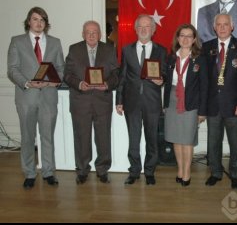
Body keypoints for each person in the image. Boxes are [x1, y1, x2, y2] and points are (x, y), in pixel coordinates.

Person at [7, 6, 65, 189]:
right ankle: (30, 173)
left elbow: (61, 68)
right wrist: (27, 83)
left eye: (42, 20)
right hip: (26, 97)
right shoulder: (17, 42)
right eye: (35, 19)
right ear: (28, 22)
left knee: (47, 136)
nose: (39, 23)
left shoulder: (55, 42)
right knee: (27, 137)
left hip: (48, 96)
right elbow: (12, 69)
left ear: (46, 24)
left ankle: (48, 172)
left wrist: (54, 81)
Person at [64, 21, 119, 184]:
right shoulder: (74, 50)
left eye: (95, 31)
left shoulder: (109, 50)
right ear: (83, 34)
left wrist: (107, 84)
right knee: (81, 137)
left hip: (102, 101)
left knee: (103, 137)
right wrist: (79, 84)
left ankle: (102, 170)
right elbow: (67, 74)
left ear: (100, 34)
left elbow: (117, 73)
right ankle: (82, 170)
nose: (92, 35)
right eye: (88, 32)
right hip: (80, 101)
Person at [116, 14, 167, 186]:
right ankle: (135, 171)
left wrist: (162, 79)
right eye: (141, 26)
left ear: (153, 30)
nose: (144, 29)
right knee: (134, 139)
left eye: (148, 26)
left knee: (152, 138)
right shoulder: (126, 50)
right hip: (131, 102)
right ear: (135, 29)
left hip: (152, 102)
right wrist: (119, 100)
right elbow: (122, 77)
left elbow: (165, 72)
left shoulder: (161, 50)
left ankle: (150, 171)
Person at [203, 13, 237, 189]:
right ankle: (215, 172)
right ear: (214, 27)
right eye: (219, 24)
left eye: (226, 24)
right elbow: (204, 79)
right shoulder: (206, 47)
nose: (222, 27)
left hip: (235, 106)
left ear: (232, 26)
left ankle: (236, 174)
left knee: (235, 143)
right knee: (213, 142)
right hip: (213, 105)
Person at [164, 24, 208, 186]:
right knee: (176, 138)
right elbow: (167, 83)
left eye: (189, 36)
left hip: (191, 103)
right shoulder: (171, 58)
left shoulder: (200, 59)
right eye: (182, 35)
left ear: (194, 39)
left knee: (187, 140)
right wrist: (165, 104)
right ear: (177, 38)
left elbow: (204, 87)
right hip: (173, 101)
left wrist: (202, 111)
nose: (185, 39)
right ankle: (180, 170)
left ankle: (187, 173)